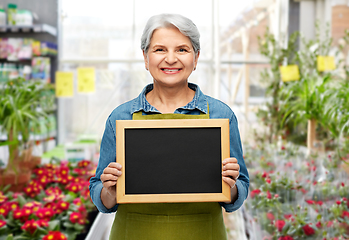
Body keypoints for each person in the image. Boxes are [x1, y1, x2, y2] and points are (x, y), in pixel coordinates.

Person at [89, 13, 249, 240]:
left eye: (182, 50)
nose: (171, 59)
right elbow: (101, 196)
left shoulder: (222, 115)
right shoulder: (121, 117)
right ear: (145, 58)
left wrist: (230, 186)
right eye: (160, 49)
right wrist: (109, 190)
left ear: (196, 58)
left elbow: (238, 192)